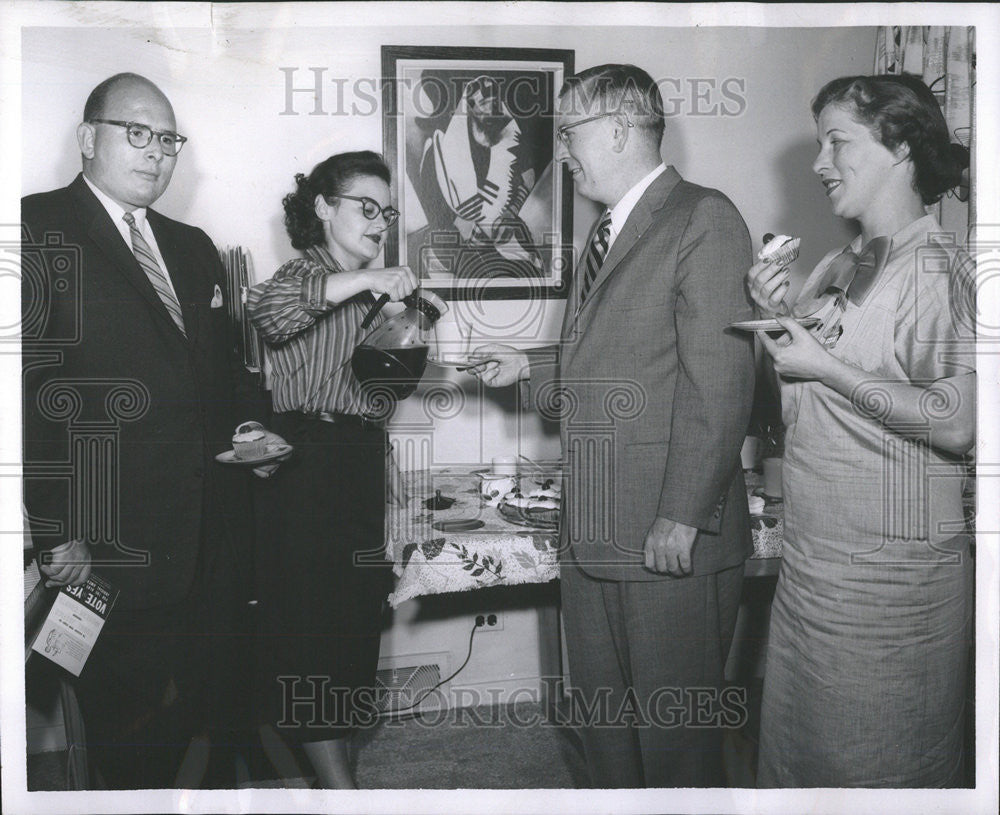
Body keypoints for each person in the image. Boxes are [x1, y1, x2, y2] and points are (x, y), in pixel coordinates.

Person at [468, 64, 755, 787]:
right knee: (606, 734)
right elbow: (615, 361)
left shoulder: (704, 217)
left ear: (621, 129)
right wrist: (527, 369)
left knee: (675, 742)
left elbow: (719, 384)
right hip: (594, 529)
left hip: (665, 534)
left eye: (570, 131)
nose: (560, 148)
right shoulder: (608, 226)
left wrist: (683, 514)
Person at [21, 72, 263, 788]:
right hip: (103, 543)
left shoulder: (192, 246)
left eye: (168, 139)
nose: (157, 152)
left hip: (202, 536)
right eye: (137, 132)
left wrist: (249, 426)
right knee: (119, 725)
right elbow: (27, 394)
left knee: (190, 714)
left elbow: (217, 377)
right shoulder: (33, 229)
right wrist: (53, 528)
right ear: (87, 137)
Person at [747, 74, 975, 787]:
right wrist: (773, 316)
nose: (819, 163)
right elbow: (793, 405)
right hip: (815, 562)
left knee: (878, 763)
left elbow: (963, 420)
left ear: (901, 145)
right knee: (799, 757)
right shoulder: (837, 264)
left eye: (837, 141)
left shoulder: (943, 270)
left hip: (892, 583)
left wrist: (828, 366)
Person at [246, 151, 416, 789]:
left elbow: (363, 395)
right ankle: (341, 794)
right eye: (364, 207)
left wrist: (387, 459)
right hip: (302, 472)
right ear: (323, 207)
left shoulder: (368, 295)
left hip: (356, 466)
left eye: (385, 211)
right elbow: (270, 310)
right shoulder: (303, 276)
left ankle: (330, 781)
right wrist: (371, 281)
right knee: (311, 632)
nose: (378, 223)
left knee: (351, 627)